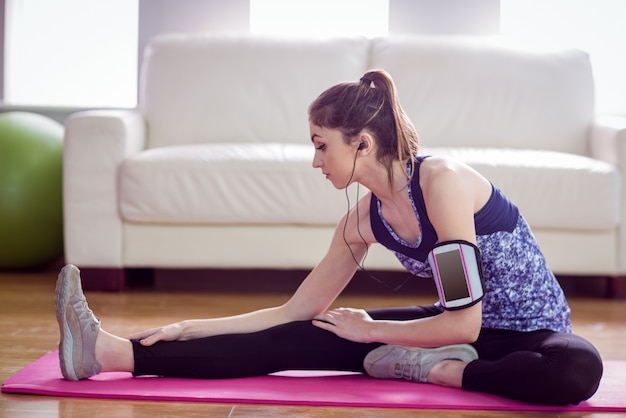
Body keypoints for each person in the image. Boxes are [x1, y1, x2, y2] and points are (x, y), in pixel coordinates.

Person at [55, 69, 603, 406]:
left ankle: (441, 372)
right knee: (307, 335)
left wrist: (372, 335)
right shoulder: (363, 221)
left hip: (529, 336)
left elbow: (467, 320)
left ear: (361, 144)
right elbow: (296, 310)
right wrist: (192, 327)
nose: (314, 160)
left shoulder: (443, 185)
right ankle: (107, 352)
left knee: (579, 370)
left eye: (321, 145)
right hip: (451, 326)